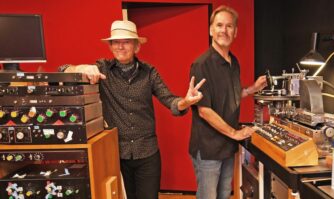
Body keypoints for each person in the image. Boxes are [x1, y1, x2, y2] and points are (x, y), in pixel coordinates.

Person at [59, 20, 205, 199]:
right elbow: (64, 70)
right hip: (116, 154)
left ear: (136, 46)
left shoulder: (149, 72)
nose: (120, 46)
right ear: (111, 46)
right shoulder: (102, 69)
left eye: (126, 41)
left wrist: (186, 102)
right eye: (116, 42)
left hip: (147, 153)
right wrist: (82, 68)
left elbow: (170, 101)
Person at [189, 5, 267, 199]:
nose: (224, 30)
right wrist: (235, 133)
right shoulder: (201, 65)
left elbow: (230, 95)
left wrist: (253, 89)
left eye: (229, 26)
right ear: (211, 30)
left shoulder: (234, 62)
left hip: (227, 145)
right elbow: (204, 110)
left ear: (235, 32)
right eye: (219, 25)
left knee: (224, 194)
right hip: (208, 149)